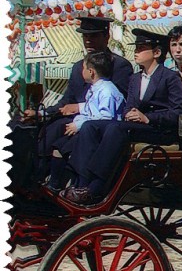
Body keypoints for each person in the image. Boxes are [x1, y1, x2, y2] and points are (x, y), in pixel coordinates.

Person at [63, 29, 182, 206]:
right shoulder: (135, 78)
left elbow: (178, 111)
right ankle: (81, 183)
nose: (136, 52)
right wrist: (129, 113)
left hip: (158, 129)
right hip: (134, 126)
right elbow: (128, 105)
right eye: (136, 47)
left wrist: (147, 118)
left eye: (141, 48)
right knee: (90, 126)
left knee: (116, 128)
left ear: (157, 53)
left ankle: (97, 187)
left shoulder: (169, 77)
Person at [22, 16, 133, 184]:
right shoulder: (78, 67)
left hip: (99, 124)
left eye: (94, 36)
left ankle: (57, 184)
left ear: (106, 36)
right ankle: (33, 180)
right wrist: (40, 113)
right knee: (40, 130)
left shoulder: (119, 66)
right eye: (85, 36)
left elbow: (116, 102)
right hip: (74, 120)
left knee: (62, 133)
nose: (88, 41)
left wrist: (80, 108)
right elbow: (65, 102)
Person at [46, 51, 125, 190]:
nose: (81, 71)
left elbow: (105, 118)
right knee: (58, 146)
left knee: (64, 149)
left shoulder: (107, 91)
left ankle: (68, 186)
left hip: (97, 137)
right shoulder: (95, 89)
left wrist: (79, 125)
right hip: (85, 131)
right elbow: (91, 108)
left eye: (83, 68)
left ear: (91, 72)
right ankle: (55, 185)